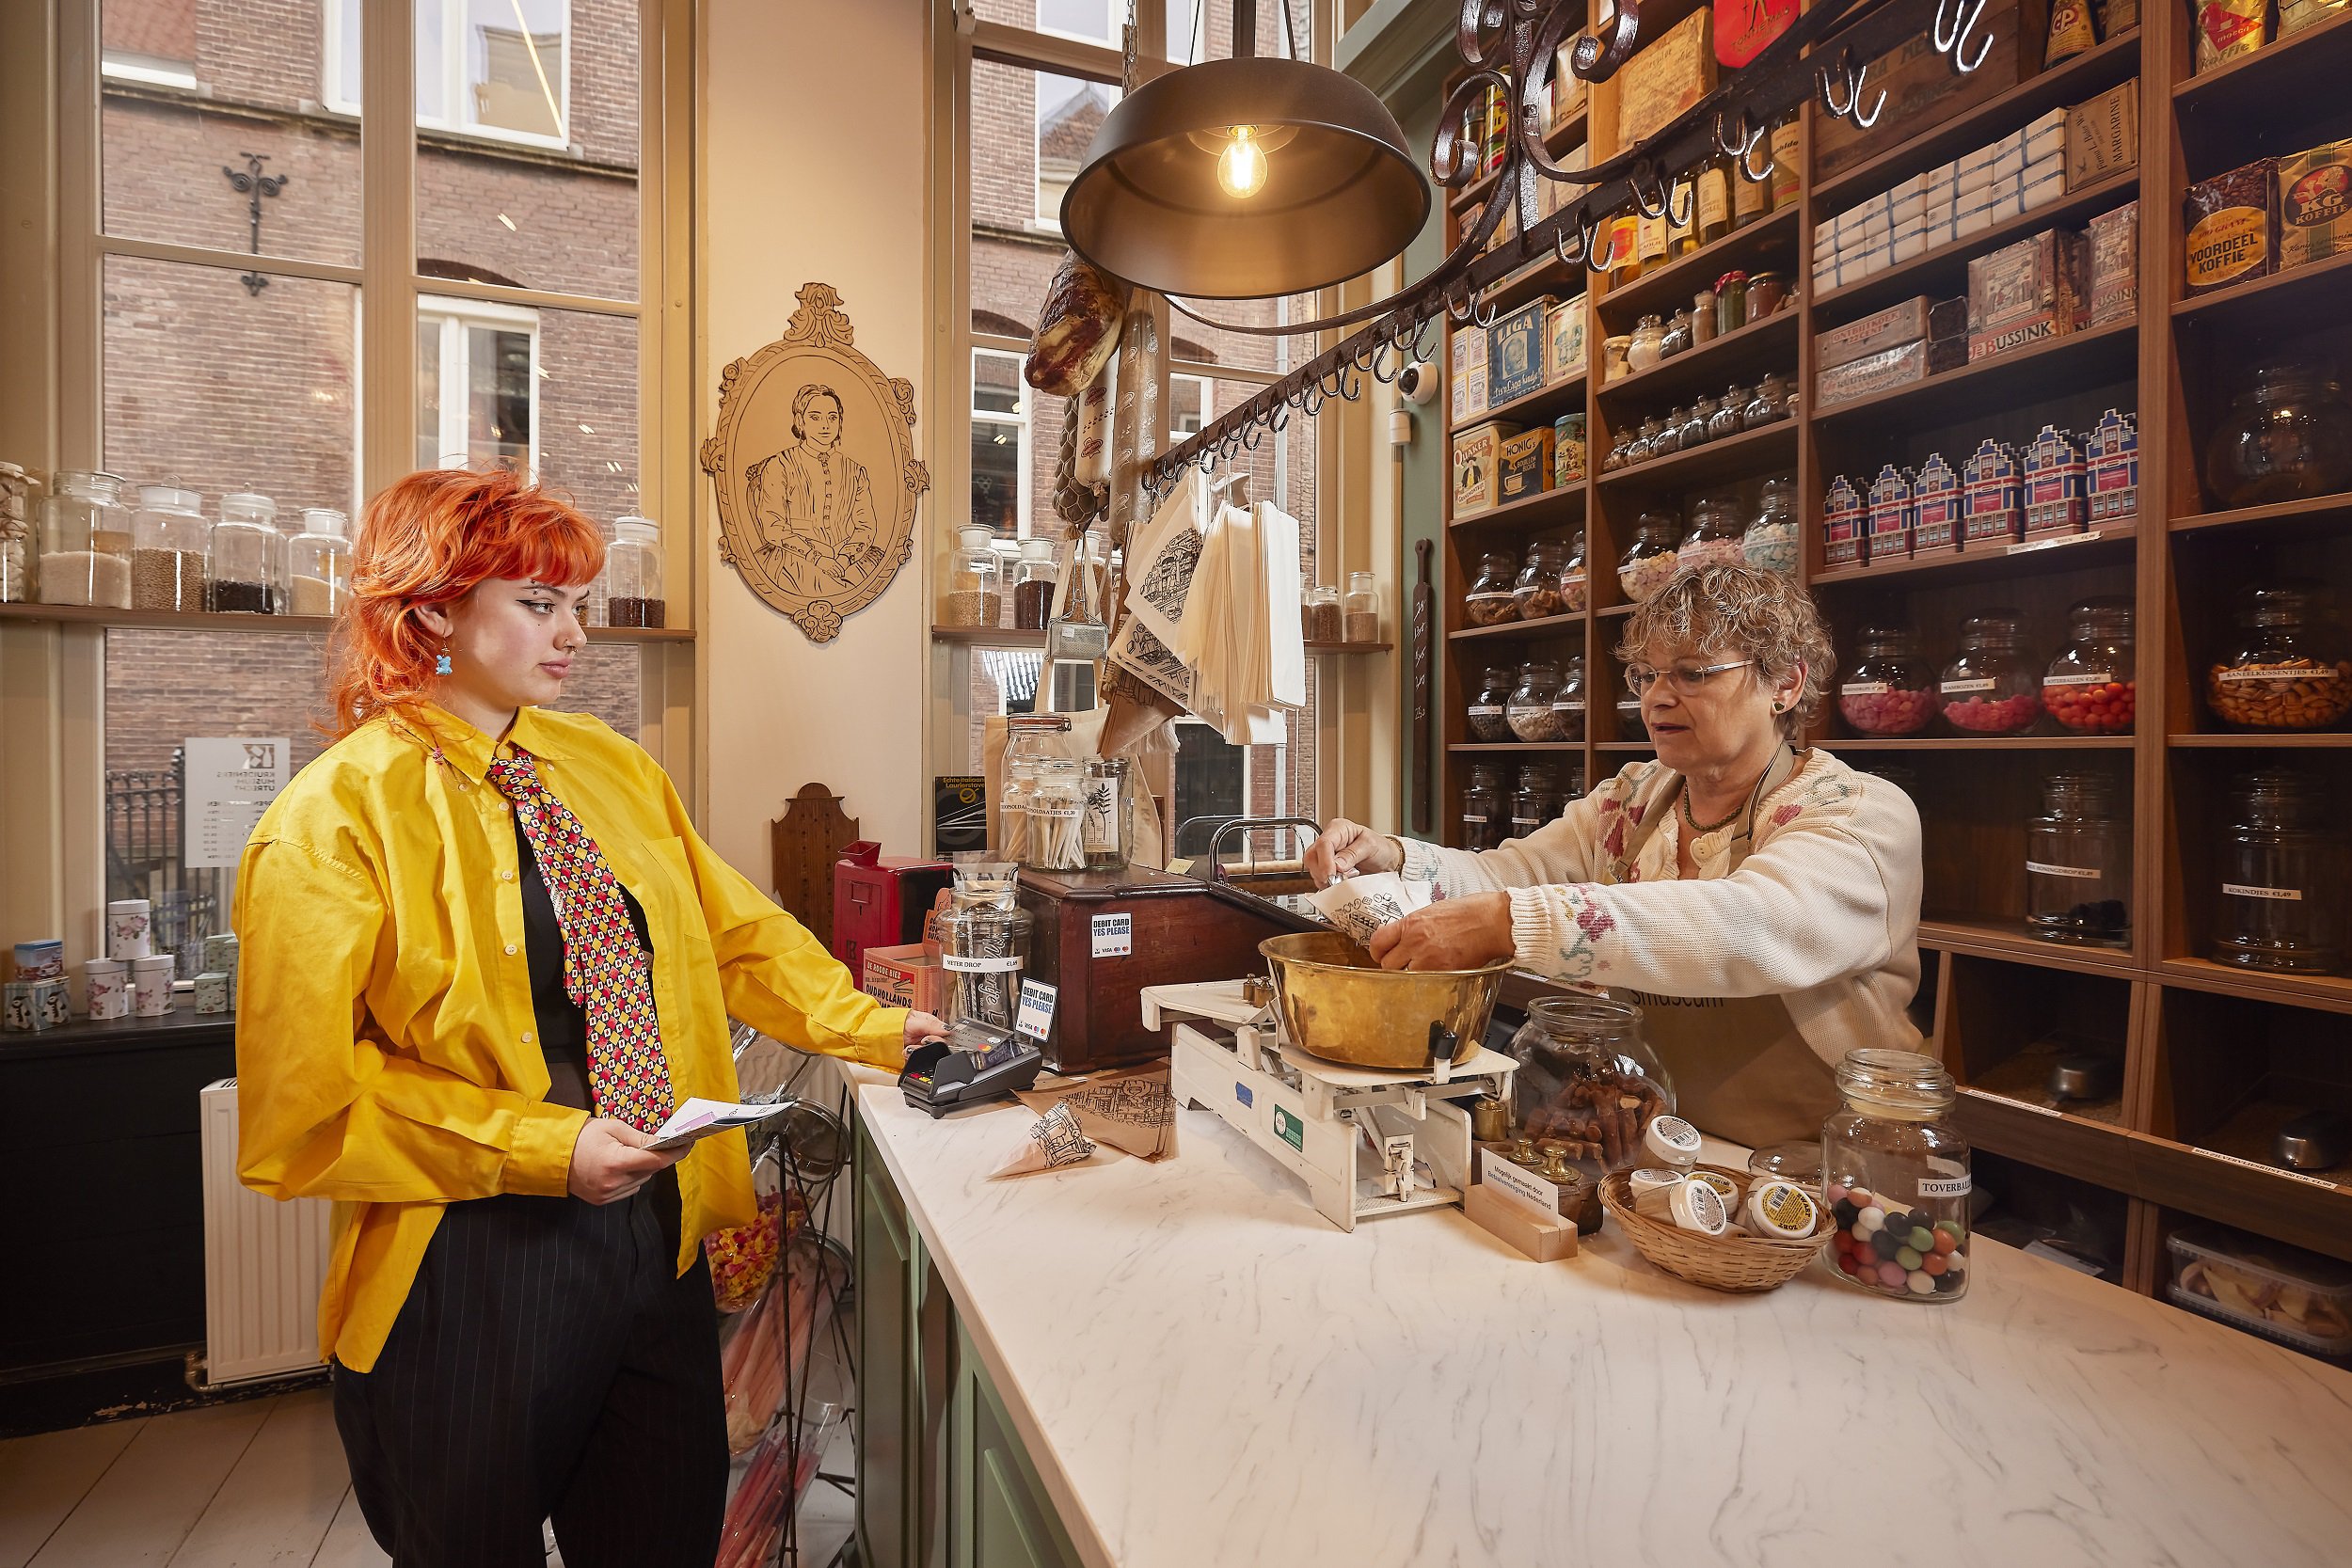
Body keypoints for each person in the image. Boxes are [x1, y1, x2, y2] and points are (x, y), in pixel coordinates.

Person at [232, 467, 946, 1568]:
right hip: (462, 1269)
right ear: (431, 610)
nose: (575, 634)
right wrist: (545, 1145)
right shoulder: (330, 821)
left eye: (577, 604)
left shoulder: (608, 767)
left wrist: (883, 1029)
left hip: (649, 1238)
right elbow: (302, 1111)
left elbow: (734, 934)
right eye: (537, 603)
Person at [1306, 562, 1922, 1148]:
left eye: (1692, 672)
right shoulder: (1630, 801)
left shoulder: (1859, 813)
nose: (1656, 697)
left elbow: (1753, 924)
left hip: (1836, 1171)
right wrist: (1390, 857)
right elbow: (1508, 873)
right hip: (1663, 1143)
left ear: (1784, 682)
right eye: (1646, 674)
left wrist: (1509, 922)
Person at [744, 381, 882, 596]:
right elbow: (773, 526)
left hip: (848, 559)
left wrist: (845, 558)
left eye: (832, 417)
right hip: (797, 559)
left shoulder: (855, 471)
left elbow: (866, 526)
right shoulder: (779, 465)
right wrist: (817, 558)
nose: (825, 425)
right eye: (815, 417)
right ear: (800, 421)